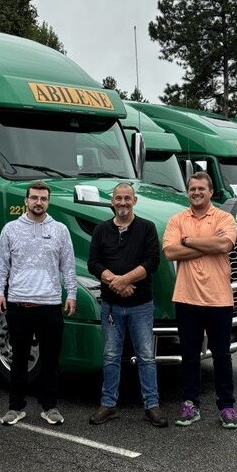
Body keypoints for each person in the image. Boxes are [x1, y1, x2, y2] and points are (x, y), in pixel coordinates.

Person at [0, 181, 77, 426]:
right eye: (34, 198)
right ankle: (15, 407)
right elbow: (1, 265)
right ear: (26, 201)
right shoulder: (10, 229)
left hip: (50, 304)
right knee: (18, 359)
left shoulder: (60, 230)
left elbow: (68, 265)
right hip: (19, 304)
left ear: (48, 202)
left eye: (43, 198)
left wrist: (71, 294)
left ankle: (50, 407)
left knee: (50, 360)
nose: (38, 202)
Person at [162, 172, 237, 429]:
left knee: (222, 355)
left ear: (210, 191)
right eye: (192, 189)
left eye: (201, 189)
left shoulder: (224, 217)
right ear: (188, 192)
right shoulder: (177, 219)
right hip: (186, 298)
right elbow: (170, 251)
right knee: (189, 355)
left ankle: (226, 406)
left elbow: (224, 246)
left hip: (219, 299)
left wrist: (190, 241)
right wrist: (206, 244)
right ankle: (190, 404)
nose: (196, 193)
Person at [87, 183, 167, 427]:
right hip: (111, 306)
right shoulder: (101, 230)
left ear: (135, 201)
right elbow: (93, 263)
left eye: (127, 198)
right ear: (112, 201)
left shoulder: (147, 228)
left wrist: (124, 280)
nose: (123, 202)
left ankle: (151, 406)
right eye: (118, 198)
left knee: (145, 356)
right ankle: (108, 404)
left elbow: (152, 261)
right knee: (110, 355)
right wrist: (114, 281)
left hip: (140, 305)